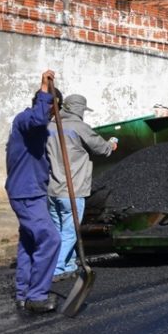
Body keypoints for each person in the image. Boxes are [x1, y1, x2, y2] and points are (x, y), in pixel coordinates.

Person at [6, 70, 62, 313]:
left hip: (31, 192)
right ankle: (37, 296)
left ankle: (23, 293)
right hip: (26, 193)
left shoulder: (37, 128)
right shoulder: (26, 121)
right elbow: (39, 119)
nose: (52, 116)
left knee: (29, 243)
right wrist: (44, 90)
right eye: (52, 110)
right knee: (50, 239)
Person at [46, 94, 117, 280]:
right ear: (79, 110)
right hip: (72, 189)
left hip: (52, 190)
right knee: (70, 231)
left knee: (58, 231)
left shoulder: (49, 127)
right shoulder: (79, 127)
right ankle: (56, 269)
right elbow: (102, 149)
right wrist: (112, 144)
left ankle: (68, 264)